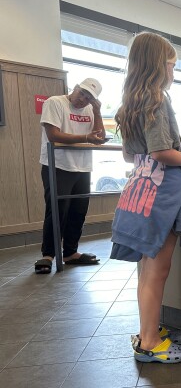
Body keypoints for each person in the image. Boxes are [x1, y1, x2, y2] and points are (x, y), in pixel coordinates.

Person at [111, 32, 181, 364]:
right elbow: (162, 152)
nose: (173, 71)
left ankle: (148, 329)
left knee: (146, 270)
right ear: (157, 65)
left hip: (139, 191)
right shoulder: (157, 97)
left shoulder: (130, 102)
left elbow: (131, 155)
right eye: (172, 64)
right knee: (157, 271)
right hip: (162, 195)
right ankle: (150, 342)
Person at [34, 78, 106, 274]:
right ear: (74, 88)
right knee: (57, 209)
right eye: (81, 93)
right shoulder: (55, 102)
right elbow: (53, 135)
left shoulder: (91, 110)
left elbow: (99, 137)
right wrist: (85, 138)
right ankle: (48, 255)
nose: (83, 99)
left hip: (82, 166)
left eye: (89, 97)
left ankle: (70, 252)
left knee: (79, 210)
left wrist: (97, 111)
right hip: (57, 164)